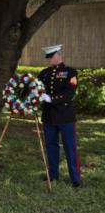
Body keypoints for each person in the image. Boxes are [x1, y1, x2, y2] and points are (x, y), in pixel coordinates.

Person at [38, 44, 81, 187]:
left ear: (59, 55)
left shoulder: (70, 72)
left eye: (51, 56)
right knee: (51, 146)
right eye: (48, 57)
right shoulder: (44, 73)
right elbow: (36, 89)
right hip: (49, 116)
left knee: (70, 147)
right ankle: (53, 175)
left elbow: (70, 93)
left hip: (65, 117)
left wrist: (51, 99)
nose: (49, 60)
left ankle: (75, 179)